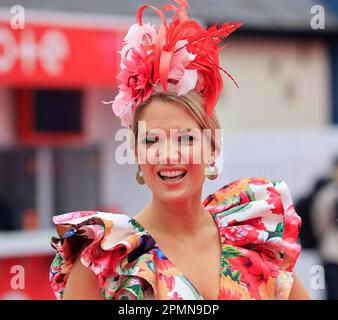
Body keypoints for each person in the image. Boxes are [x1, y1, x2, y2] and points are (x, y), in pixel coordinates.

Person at [49, 0, 309, 300]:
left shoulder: (249, 239)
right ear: (135, 152)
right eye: (151, 140)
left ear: (212, 147)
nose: (168, 154)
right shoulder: (107, 261)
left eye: (185, 139)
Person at [311, 155, 338, 299]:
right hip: (331, 255)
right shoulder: (328, 193)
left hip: (330, 253)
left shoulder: (327, 193)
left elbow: (318, 222)